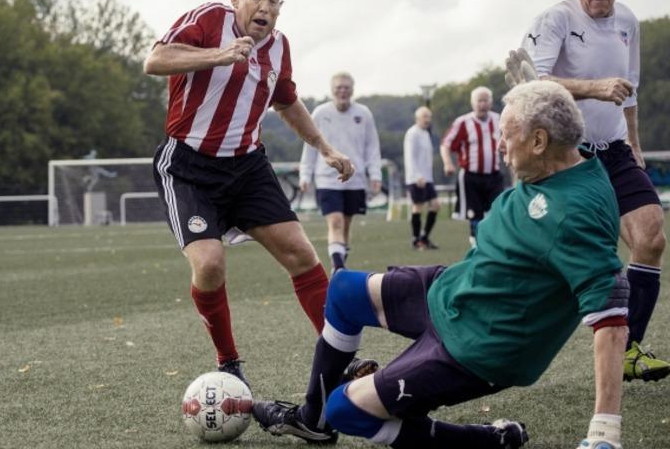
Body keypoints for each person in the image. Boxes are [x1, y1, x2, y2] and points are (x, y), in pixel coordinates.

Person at [253, 81, 630, 449]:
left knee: (347, 410)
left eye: (506, 134)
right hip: (456, 289)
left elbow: (611, 320)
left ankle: (486, 439)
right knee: (344, 290)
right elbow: (557, 122)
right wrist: (535, 93)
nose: (498, 145)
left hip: (479, 344)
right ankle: (311, 422)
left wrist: (604, 432)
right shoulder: (564, 158)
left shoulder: (573, 213)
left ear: (538, 141)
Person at [142, 0, 355, 386]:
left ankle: (342, 361)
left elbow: (288, 103)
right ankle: (228, 362)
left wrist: (326, 148)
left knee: (301, 254)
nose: (265, 8)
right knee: (209, 264)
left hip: (247, 166)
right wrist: (217, 55)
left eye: (275, 2)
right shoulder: (207, 19)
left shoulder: (279, 47)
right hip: (188, 166)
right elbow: (155, 60)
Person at [511, 0, 670, 382]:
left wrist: (634, 143)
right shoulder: (555, 20)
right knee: (559, 258)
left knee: (650, 238)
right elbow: (531, 84)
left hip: (615, 150)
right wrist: (593, 88)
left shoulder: (628, 22)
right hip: (567, 155)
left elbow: (630, 88)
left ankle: (630, 349)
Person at [300, 72, 382, 274]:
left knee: (345, 224)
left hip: (355, 178)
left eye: (346, 87)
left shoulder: (363, 113)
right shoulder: (320, 112)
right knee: (335, 221)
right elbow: (310, 145)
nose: (342, 91)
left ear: (352, 90)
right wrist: (305, 174)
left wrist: (375, 174)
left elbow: (372, 146)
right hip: (327, 178)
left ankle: (340, 261)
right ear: (332, 90)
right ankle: (338, 268)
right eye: (339, 87)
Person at [440, 86, 503, 246]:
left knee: (497, 210)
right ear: (472, 103)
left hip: (494, 175)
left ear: (491, 102)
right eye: (479, 101)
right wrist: (448, 163)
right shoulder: (463, 122)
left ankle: (494, 241)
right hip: (471, 176)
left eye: (485, 100)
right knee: (474, 213)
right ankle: (476, 243)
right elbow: (446, 144)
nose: (482, 104)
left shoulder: (499, 119)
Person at [403, 106, 440, 250]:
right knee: (418, 207)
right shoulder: (412, 133)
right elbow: (410, 156)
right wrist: (417, 175)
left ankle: (424, 238)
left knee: (436, 205)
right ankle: (416, 239)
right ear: (417, 118)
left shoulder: (425, 133)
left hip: (427, 178)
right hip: (416, 178)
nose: (427, 120)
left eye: (429, 117)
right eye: (425, 117)